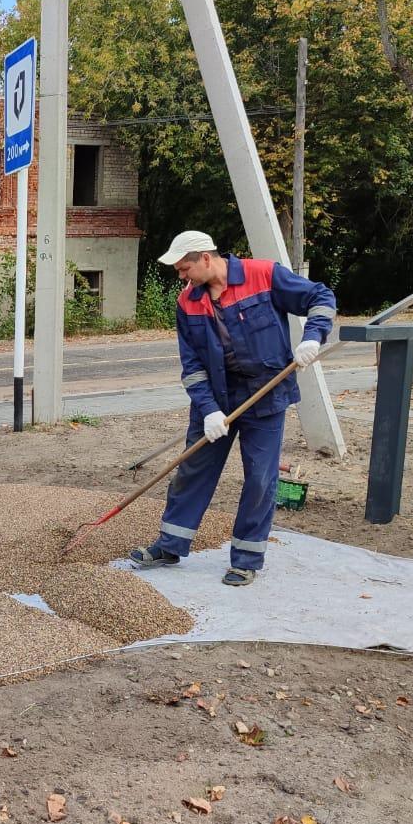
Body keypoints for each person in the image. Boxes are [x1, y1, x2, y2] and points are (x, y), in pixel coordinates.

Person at [129, 230, 336, 585]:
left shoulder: (263, 275)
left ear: (206, 259)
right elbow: (192, 365)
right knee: (193, 469)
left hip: (265, 396)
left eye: (185, 268)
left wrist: (313, 336)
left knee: (259, 477)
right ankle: (170, 545)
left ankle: (246, 559)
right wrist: (208, 410)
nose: (182, 277)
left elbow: (321, 296)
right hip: (217, 400)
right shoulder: (188, 302)